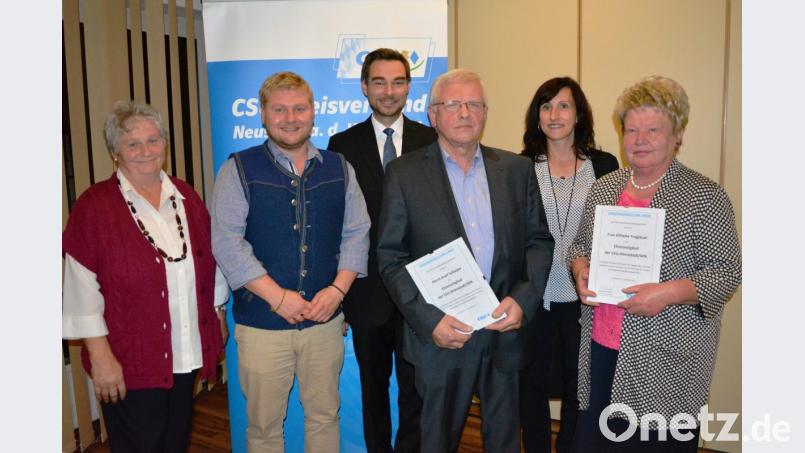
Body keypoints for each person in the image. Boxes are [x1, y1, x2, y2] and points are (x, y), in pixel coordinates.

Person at [377, 68, 555, 452]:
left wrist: (524, 301)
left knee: (505, 441)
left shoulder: (516, 170)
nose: (464, 113)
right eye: (453, 104)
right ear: (432, 114)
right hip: (442, 337)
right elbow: (390, 258)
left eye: (474, 104)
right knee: (436, 441)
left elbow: (539, 242)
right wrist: (429, 321)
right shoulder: (403, 174)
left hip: (503, 332)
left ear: (486, 113)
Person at [568, 75, 741, 452]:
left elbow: (727, 272)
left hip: (665, 357)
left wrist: (667, 293)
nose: (639, 140)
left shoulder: (703, 196)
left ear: (677, 134)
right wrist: (581, 268)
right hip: (601, 345)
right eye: (631, 130)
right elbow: (580, 245)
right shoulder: (605, 187)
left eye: (652, 130)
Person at [211, 71, 370, 453]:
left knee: (324, 417)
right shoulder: (238, 169)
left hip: (324, 322)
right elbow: (227, 243)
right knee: (264, 427)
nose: (290, 117)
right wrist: (278, 297)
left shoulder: (339, 168)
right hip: (263, 326)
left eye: (299, 108)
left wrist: (337, 291)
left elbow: (357, 233)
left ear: (313, 112)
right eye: (279, 109)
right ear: (263, 114)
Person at [62, 101, 228, 453]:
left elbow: (208, 262)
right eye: (132, 144)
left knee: (174, 442)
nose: (145, 151)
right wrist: (101, 356)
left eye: (153, 140)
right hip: (128, 360)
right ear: (115, 153)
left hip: (185, 351)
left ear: (165, 144)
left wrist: (216, 315)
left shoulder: (186, 197)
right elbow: (79, 287)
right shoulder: (95, 207)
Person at [327, 47, 437, 453]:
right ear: (364, 87)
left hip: (421, 293)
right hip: (367, 292)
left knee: (416, 390)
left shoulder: (431, 140)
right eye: (379, 82)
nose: (388, 91)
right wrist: (338, 297)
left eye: (397, 82)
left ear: (409, 87)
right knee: (373, 391)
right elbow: (335, 223)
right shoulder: (342, 144)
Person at [519, 77, 618, 453]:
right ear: (537, 116)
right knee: (532, 388)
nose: (554, 114)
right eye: (546, 106)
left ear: (579, 114)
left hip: (587, 299)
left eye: (563, 105)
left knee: (582, 390)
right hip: (536, 298)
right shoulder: (521, 166)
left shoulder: (605, 166)